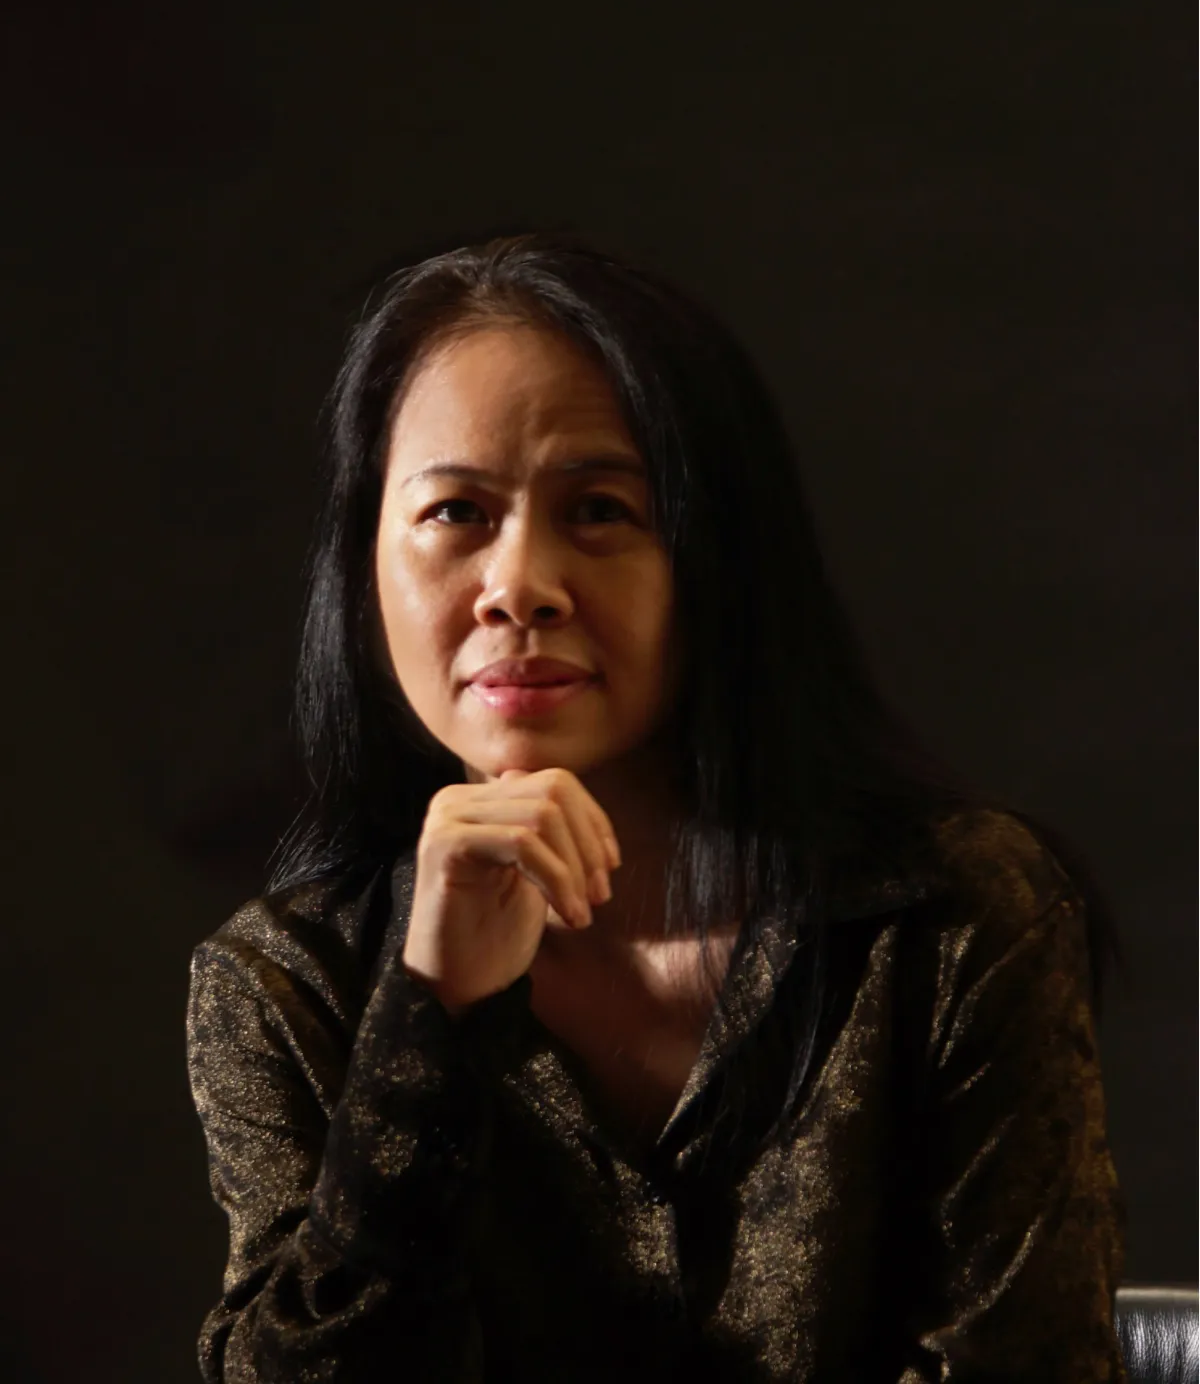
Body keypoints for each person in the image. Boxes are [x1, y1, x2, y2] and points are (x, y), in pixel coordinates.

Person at [186, 234, 1128, 1382]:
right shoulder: (285, 988)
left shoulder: (951, 917)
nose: (520, 585)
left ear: (717, 557)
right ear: (364, 564)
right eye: (455, 514)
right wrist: (429, 1019)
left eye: (600, 510)